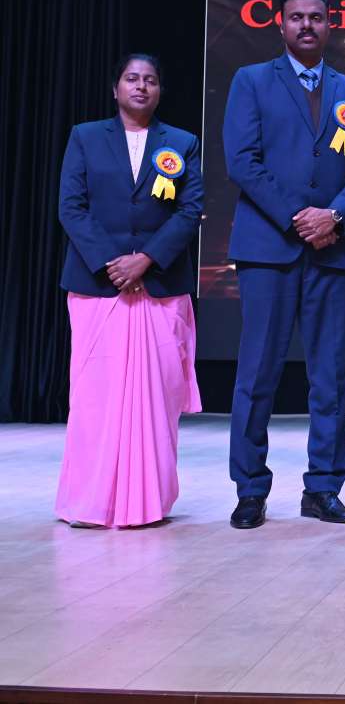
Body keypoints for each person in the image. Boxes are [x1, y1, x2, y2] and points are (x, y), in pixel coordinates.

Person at [222, 0, 345, 529]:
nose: (306, 25)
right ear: (280, 26)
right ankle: (250, 490)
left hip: (332, 250)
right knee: (257, 373)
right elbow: (242, 161)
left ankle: (323, 488)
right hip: (269, 249)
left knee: (329, 377)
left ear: (329, 26)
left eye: (316, 18)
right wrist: (299, 217)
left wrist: (333, 216)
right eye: (296, 18)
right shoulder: (251, 81)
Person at [55, 53, 203, 528]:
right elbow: (71, 207)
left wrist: (147, 259)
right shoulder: (85, 137)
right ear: (116, 87)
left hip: (160, 287)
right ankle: (90, 503)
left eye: (150, 80)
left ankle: (147, 503)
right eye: (132, 78)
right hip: (98, 287)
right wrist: (112, 262)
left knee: (156, 399)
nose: (141, 86)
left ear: (160, 90)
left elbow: (190, 210)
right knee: (95, 399)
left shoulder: (182, 142)